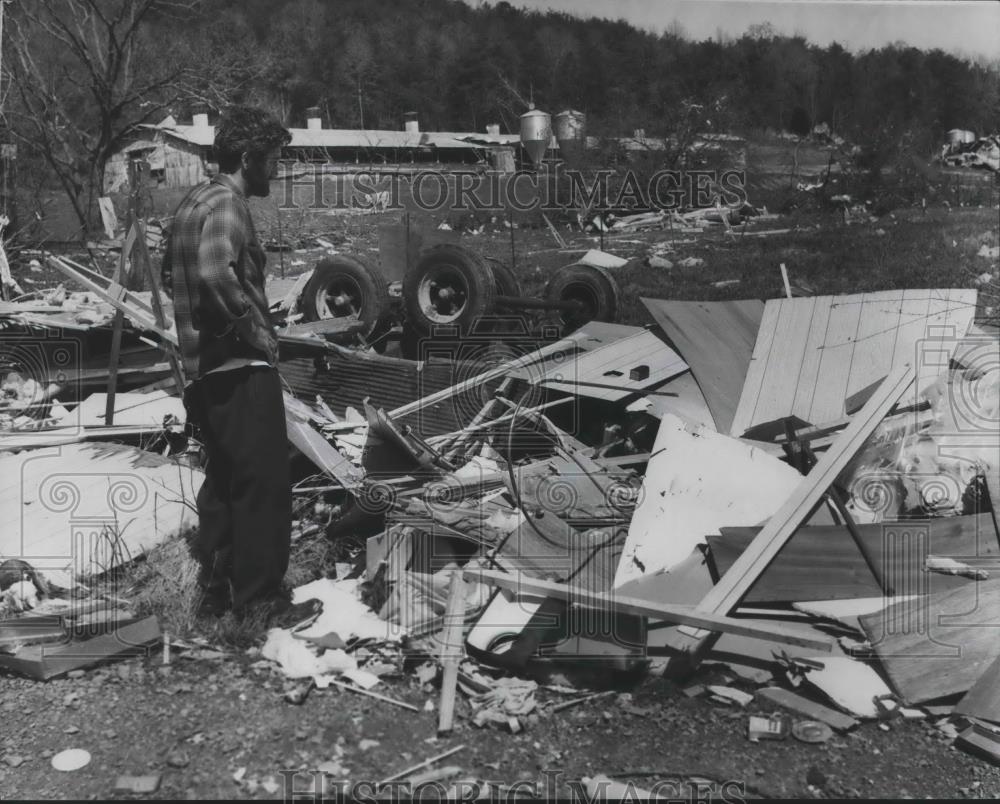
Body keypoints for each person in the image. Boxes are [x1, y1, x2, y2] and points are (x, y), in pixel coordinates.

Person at [162, 106, 317, 627]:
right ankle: (260, 603)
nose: (277, 169)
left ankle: (217, 593)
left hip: (202, 369)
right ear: (249, 158)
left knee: (225, 482)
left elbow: (171, 276)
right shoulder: (228, 203)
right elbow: (214, 271)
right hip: (238, 366)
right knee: (264, 482)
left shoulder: (193, 201)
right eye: (273, 159)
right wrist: (253, 332)